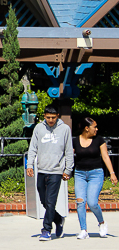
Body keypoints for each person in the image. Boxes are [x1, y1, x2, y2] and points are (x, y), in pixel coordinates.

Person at [26, 101, 74, 241]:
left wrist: (68, 170)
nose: (51, 120)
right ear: (44, 116)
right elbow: (32, 148)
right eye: (48, 117)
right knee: (44, 201)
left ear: (57, 116)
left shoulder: (65, 129)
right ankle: (59, 219)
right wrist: (30, 165)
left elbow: (68, 151)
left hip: (56, 171)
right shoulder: (39, 128)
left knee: (51, 201)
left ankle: (46, 229)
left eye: (53, 117)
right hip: (42, 170)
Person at [73, 117, 118, 239]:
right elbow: (69, 156)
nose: (97, 129)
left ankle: (102, 223)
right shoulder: (76, 141)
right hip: (80, 174)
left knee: (92, 203)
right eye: (95, 127)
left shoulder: (99, 140)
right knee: (80, 202)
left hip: (96, 173)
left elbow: (105, 157)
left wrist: (112, 173)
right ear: (87, 128)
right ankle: (83, 230)